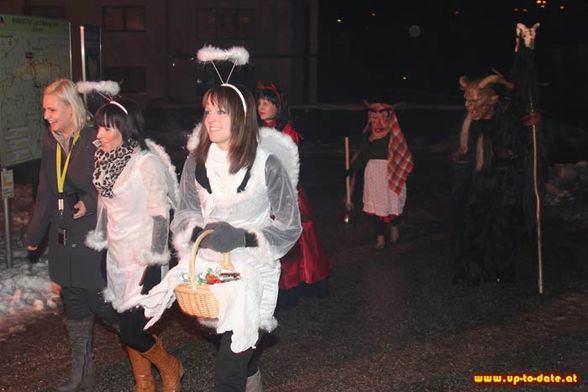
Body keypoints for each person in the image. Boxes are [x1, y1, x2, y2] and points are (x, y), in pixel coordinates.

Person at [136, 83, 301, 392]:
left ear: (240, 116)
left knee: (230, 365)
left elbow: (290, 226)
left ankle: (244, 372)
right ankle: (250, 371)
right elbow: (183, 215)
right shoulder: (195, 163)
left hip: (253, 271)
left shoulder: (268, 165)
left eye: (220, 112)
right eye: (208, 110)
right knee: (234, 348)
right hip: (212, 271)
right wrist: (201, 233)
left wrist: (244, 237)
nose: (210, 119)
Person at [25, 79, 119, 392]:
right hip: (63, 234)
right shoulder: (49, 141)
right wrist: (35, 233)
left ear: (70, 108)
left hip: (90, 233)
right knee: (74, 304)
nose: (47, 115)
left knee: (102, 304)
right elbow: (45, 191)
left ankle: (146, 352)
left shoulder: (95, 136)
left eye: (52, 109)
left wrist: (89, 202)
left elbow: (114, 180)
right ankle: (83, 375)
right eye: (44, 110)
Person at [84, 98, 181, 391]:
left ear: (124, 129)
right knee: (125, 324)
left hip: (143, 258)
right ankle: (143, 382)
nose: (98, 134)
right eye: (97, 127)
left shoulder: (146, 162)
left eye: (105, 128)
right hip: (117, 257)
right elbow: (104, 205)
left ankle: (171, 366)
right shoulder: (104, 161)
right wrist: (100, 243)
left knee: (133, 331)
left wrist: (155, 261)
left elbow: (160, 214)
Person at [452, 23, 546, 285]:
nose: (469, 107)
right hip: (482, 180)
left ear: (491, 99)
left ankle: (501, 269)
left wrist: (536, 123)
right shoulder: (472, 124)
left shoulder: (511, 115)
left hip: (508, 178)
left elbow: (531, 137)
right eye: (467, 101)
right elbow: (464, 151)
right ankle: (471, 269)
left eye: (475, 101)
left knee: (504, 224)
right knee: (474, 221)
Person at [257, 81, 330, 309]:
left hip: (285, 194)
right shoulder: (255, 130)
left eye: (267, 102)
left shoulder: (287, 132)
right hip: (263, 192)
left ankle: (290, 288)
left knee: (291, 239)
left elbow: (289, 167)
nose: (262, 106)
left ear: (278, 105)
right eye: (259, 101)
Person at [347, 100, 413, 250]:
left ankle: (394, 227)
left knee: (392, 203)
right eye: (374, 117)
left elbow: (402, 153)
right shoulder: (368, 135)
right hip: (374, 172)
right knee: (378, 207)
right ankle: (380, 238)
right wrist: (353, 168)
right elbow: (364, 154)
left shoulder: (393, 133)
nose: (377, 121)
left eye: (381, 116)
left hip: (391, 171)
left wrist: (400, 167)